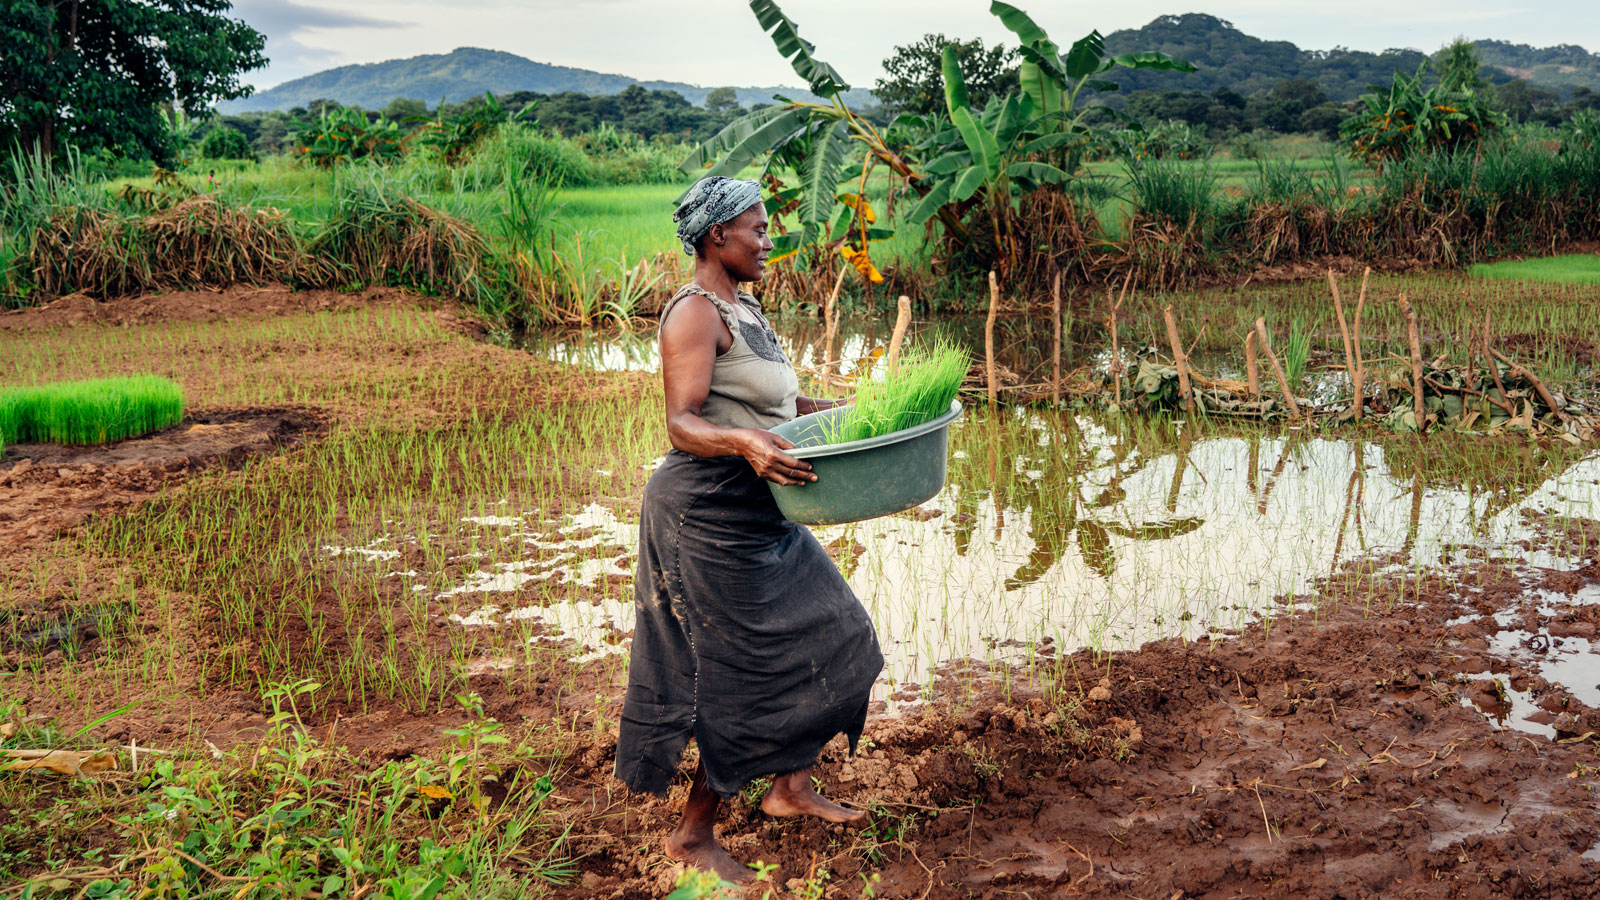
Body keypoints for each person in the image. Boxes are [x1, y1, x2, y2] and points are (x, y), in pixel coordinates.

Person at [614, 176, 883, 882]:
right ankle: (692, 836)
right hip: (705, 511)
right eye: (757, 231)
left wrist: (856, 410)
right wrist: (745, 445)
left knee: (839, 631)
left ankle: (790, 788)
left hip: (764, 505)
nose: (768, 243)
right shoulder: (693, 314)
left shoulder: (748, 306)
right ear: (716, 238)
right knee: (742, 677)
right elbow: (682, 422)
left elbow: (783, 403)